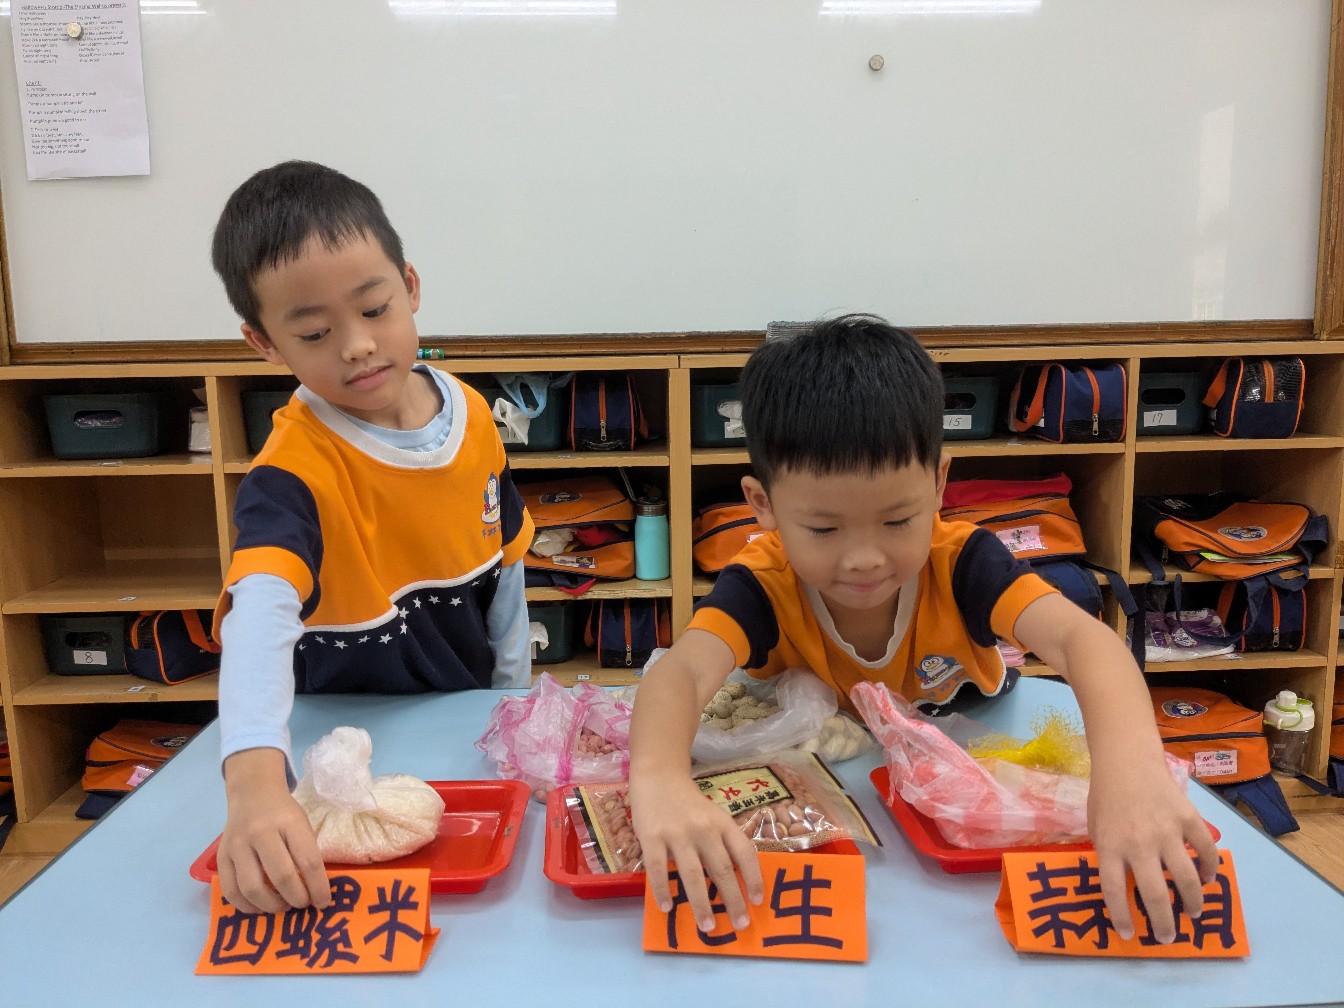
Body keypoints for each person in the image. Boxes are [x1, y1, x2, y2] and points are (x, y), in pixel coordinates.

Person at [628, 314, 1217, 944]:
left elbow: (1084, 640)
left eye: (897, 521)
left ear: (938, 484)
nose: (864, 559)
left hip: (964, 748)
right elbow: (682, 671)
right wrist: (659, 780)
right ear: (763, 505)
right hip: (831, 780)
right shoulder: (760, 583)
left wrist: (1131, 772)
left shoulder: (963, 562)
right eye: (823, 529)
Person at [209, 160, 534, 914]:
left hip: (466, 729)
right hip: (339, 748)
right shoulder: (291, 472)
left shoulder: (473, 416)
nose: (357, 345)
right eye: (315, 332)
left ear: (411, 287)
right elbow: (259, 613)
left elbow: (506, 573)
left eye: (376, 308)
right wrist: (254, 782)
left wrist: (513, 705)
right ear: (263, 342)